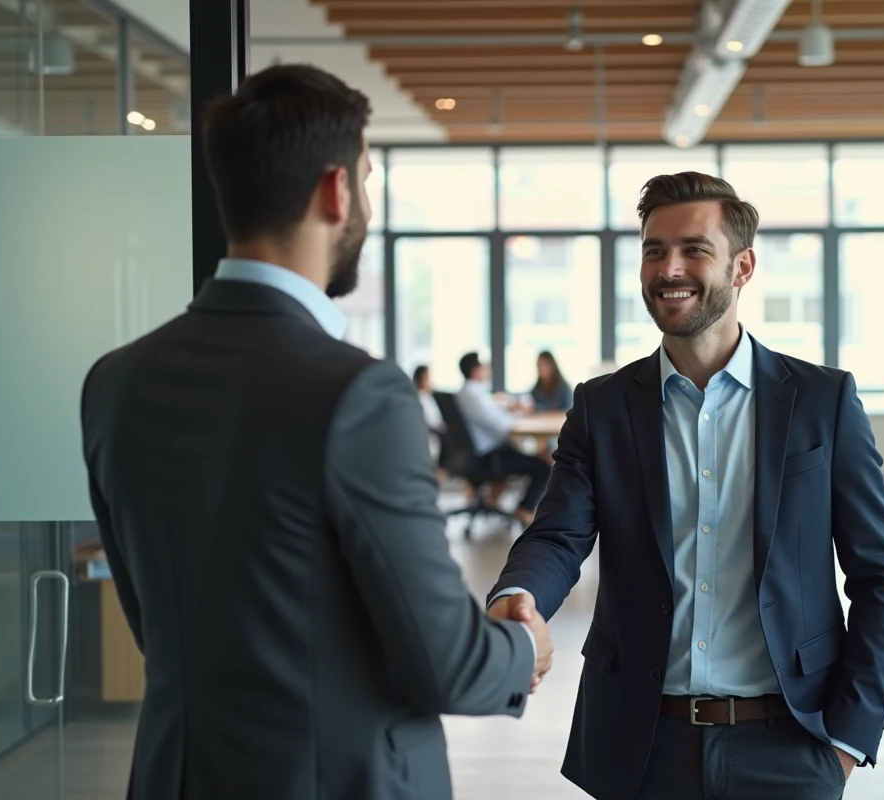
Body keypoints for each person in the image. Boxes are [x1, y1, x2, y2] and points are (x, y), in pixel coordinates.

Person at [79, 64, 552, 800]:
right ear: (335, 192)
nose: (365, 200)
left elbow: (160, 624)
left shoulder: (116, 380)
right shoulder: (358, 394)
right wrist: (523, 646)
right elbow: (446, 663)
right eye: (366, 179)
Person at [487, 172, 884, 800]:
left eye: (694, 249)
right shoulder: (602, 407)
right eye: (654, 250)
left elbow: (880, 578)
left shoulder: (824, 402)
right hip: (640, 745)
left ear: (743, 266)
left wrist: (848, 738)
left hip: (791, 742)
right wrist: (518, 596)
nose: (669, 268)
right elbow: (557, 535)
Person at [455, 352, 551, 526]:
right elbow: (500, 425)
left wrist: (505, 407)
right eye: (484, 367)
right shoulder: (472, 394)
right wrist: (519, 413)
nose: (488, 370)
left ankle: (500, 502)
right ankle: (525, 509)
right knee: (544, 467)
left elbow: (491, 416)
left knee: (531, 454)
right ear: (475, 370)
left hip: (478, 453)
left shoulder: (468, 392)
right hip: (487, 456)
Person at [413, 364, 446, 471]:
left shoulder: (428, 397)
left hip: (435, 438)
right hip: (427, 438)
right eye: (427, 377)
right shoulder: (417, 397)